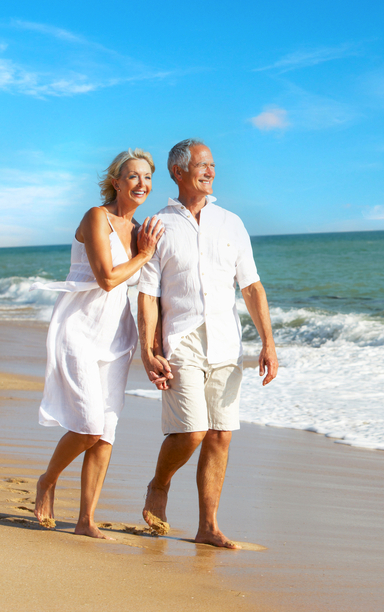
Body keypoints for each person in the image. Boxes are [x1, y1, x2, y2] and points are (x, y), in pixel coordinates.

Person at [137, 138, 278, 549]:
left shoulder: (231, 222)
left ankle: (207, 526)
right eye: (201, 165)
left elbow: (251, 286)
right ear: (178, 171)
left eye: (213, 164)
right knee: (193, 430)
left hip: (226, 343)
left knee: (220, 435)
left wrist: (268, 342)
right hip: (181, 341)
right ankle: (159, 485)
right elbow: (147, 294)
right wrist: (148, 350)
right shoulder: (157, 225)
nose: (210, 171)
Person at [33, 148, 164, 539]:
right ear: (116, 181)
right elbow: (106, 278)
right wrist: (144, 254)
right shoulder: (96, 217)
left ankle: (85, 519)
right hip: (79, 330)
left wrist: (154, 344)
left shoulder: (140, 227)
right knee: (89, 426)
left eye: (147, 177)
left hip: (116, 336)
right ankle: (48, 480)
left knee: (105, 432)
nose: (142, 184)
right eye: (133, 176)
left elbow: (149, 290)